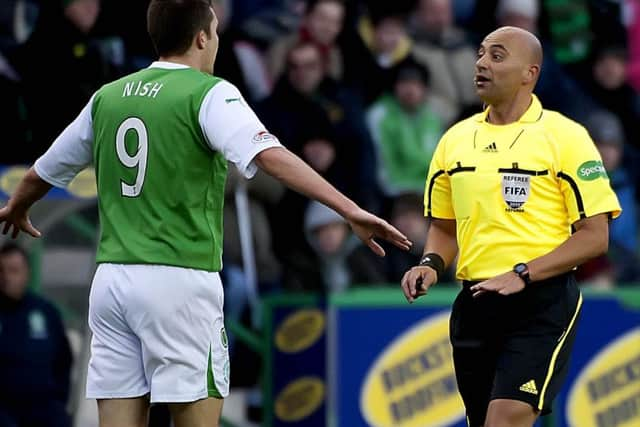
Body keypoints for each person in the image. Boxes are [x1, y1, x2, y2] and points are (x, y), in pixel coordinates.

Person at [0, 2, 411, 427]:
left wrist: (18, 206)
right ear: (201, 37)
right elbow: (270, 156)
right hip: (180, 280)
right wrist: (349, 209)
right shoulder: (209, 92)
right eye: (214, 32)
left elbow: (42, 171)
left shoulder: (109, 96)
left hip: (112, 283)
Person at [400, 26, 621, 427]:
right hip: (476, 302)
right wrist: (430, 264)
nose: (482, 63)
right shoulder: (454, 140)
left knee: (505, 420)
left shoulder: (566, 138)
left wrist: (523, 273)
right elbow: (445, 228)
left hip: (541, 300)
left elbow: (595, 236)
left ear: (529, 73)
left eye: (497, 56)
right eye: (481, 54)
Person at [0, 242, 73, 427]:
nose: (7, 277)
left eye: (14, 270)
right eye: (2, 270)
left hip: (45, 409)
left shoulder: (45, 312)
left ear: (27, 273)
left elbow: (64, 360)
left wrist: (58, 400)